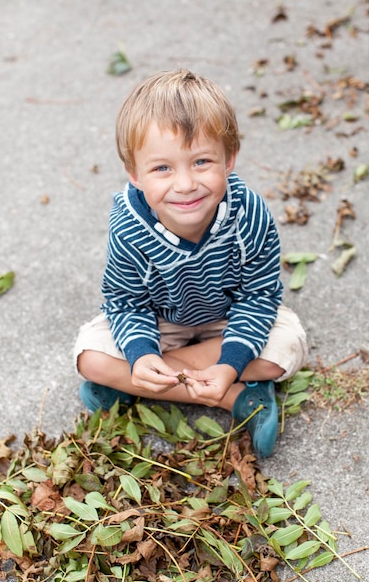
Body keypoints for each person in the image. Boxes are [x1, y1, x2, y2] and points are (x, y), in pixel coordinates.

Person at [74, 68, 308, 457]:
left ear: (229, 159)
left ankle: (135, 384)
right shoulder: (129, 228)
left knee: (287, 345)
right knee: (90, 357)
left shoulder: (249, 214)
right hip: (162, 321)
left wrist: (231, 361)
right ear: (134, 173)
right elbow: (125, 302)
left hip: (227, 317)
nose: (184, 184)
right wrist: (143, 353)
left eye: (201, 161)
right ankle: (235, 399)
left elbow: (258, 295)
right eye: (162, 168)